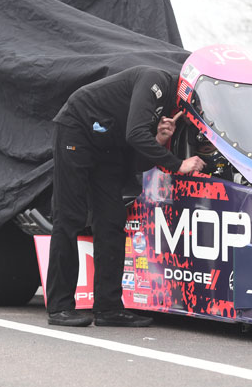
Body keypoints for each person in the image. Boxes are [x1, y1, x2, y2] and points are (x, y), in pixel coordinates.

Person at [47, 65, 205, 328]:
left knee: (111, 221)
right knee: (70, 217)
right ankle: (60, 307)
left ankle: (108, 308)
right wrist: (178, 164)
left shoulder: (167, 110)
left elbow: (138, 163)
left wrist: (158, 139)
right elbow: (134, 134)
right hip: (79, 128)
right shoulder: (156, 80)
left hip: (109, 145)